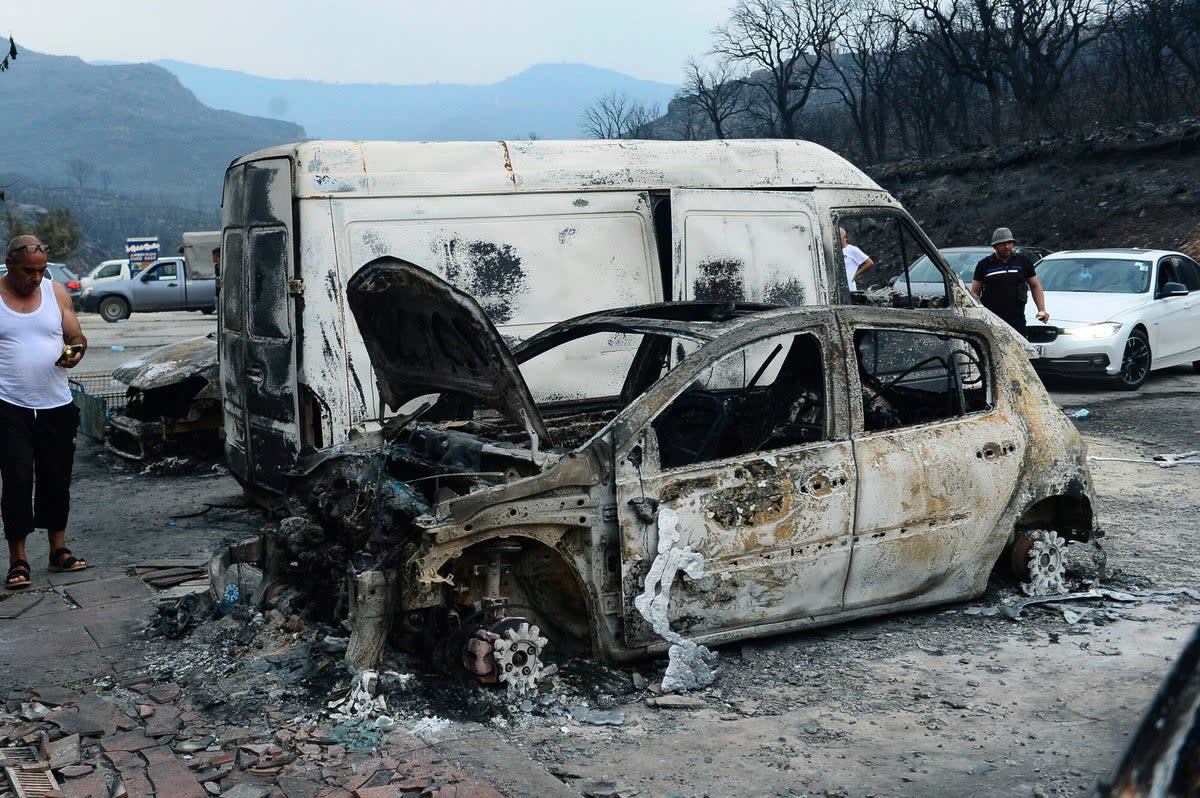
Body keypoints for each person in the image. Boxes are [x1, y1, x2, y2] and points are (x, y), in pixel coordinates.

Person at [1, 235, 88, 590]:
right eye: (29, 271)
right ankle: (18, 559)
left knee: (56, 479)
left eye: (41, 271)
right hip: (10, 406)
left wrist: (76, 351)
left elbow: (76, 336)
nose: (36, 278)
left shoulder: (56, 293)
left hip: (56, 404)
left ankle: (58, 550)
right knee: (18, 481)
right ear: (9, 265)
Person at [971, 227, 1049, 337]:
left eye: (1009, 243)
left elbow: (1035, 286)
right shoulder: (984, 264)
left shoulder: (1023, 262)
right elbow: (974, 293)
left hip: (1017, 317)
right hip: (992, 318)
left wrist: (1041, 310)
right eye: (1002, 244)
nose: (1006, 247)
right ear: (994, 246)